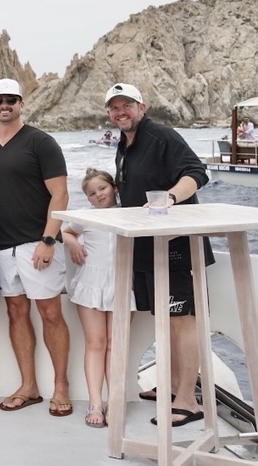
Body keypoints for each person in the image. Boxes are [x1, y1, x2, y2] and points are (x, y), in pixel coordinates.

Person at [105, 82, 211, 427]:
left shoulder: (161, 136)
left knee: (182, 318)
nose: (121, 112)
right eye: (114, 107)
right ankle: (169, 386)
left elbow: (196, 172)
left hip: (176, 244)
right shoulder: (124, 145)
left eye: (127, 105)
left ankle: (187, 400)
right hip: (145, 246)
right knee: (164, 319)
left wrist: (170, 198)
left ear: (142, 106)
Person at [0, 78, 71, 416]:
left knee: (50, 313)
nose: (4, 105)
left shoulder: (41, 143)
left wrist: (49, 240)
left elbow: (60, 195)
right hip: (1, 244)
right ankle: (29, 386)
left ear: (21, 104)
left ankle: (61, 387)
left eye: (11, 100)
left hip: (38, 242)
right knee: (15, 312)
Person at [61, 168, 120, 429]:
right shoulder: (85, 218)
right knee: (96, 342)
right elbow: (65, 231)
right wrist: (73, 243)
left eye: (102, 189)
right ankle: (95, 403)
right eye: (92, 194)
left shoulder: (129, 212)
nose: (98, 195)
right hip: (91, 285)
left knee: (115, 345)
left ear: (114, 188)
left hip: (121, 284)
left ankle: (115, 401)